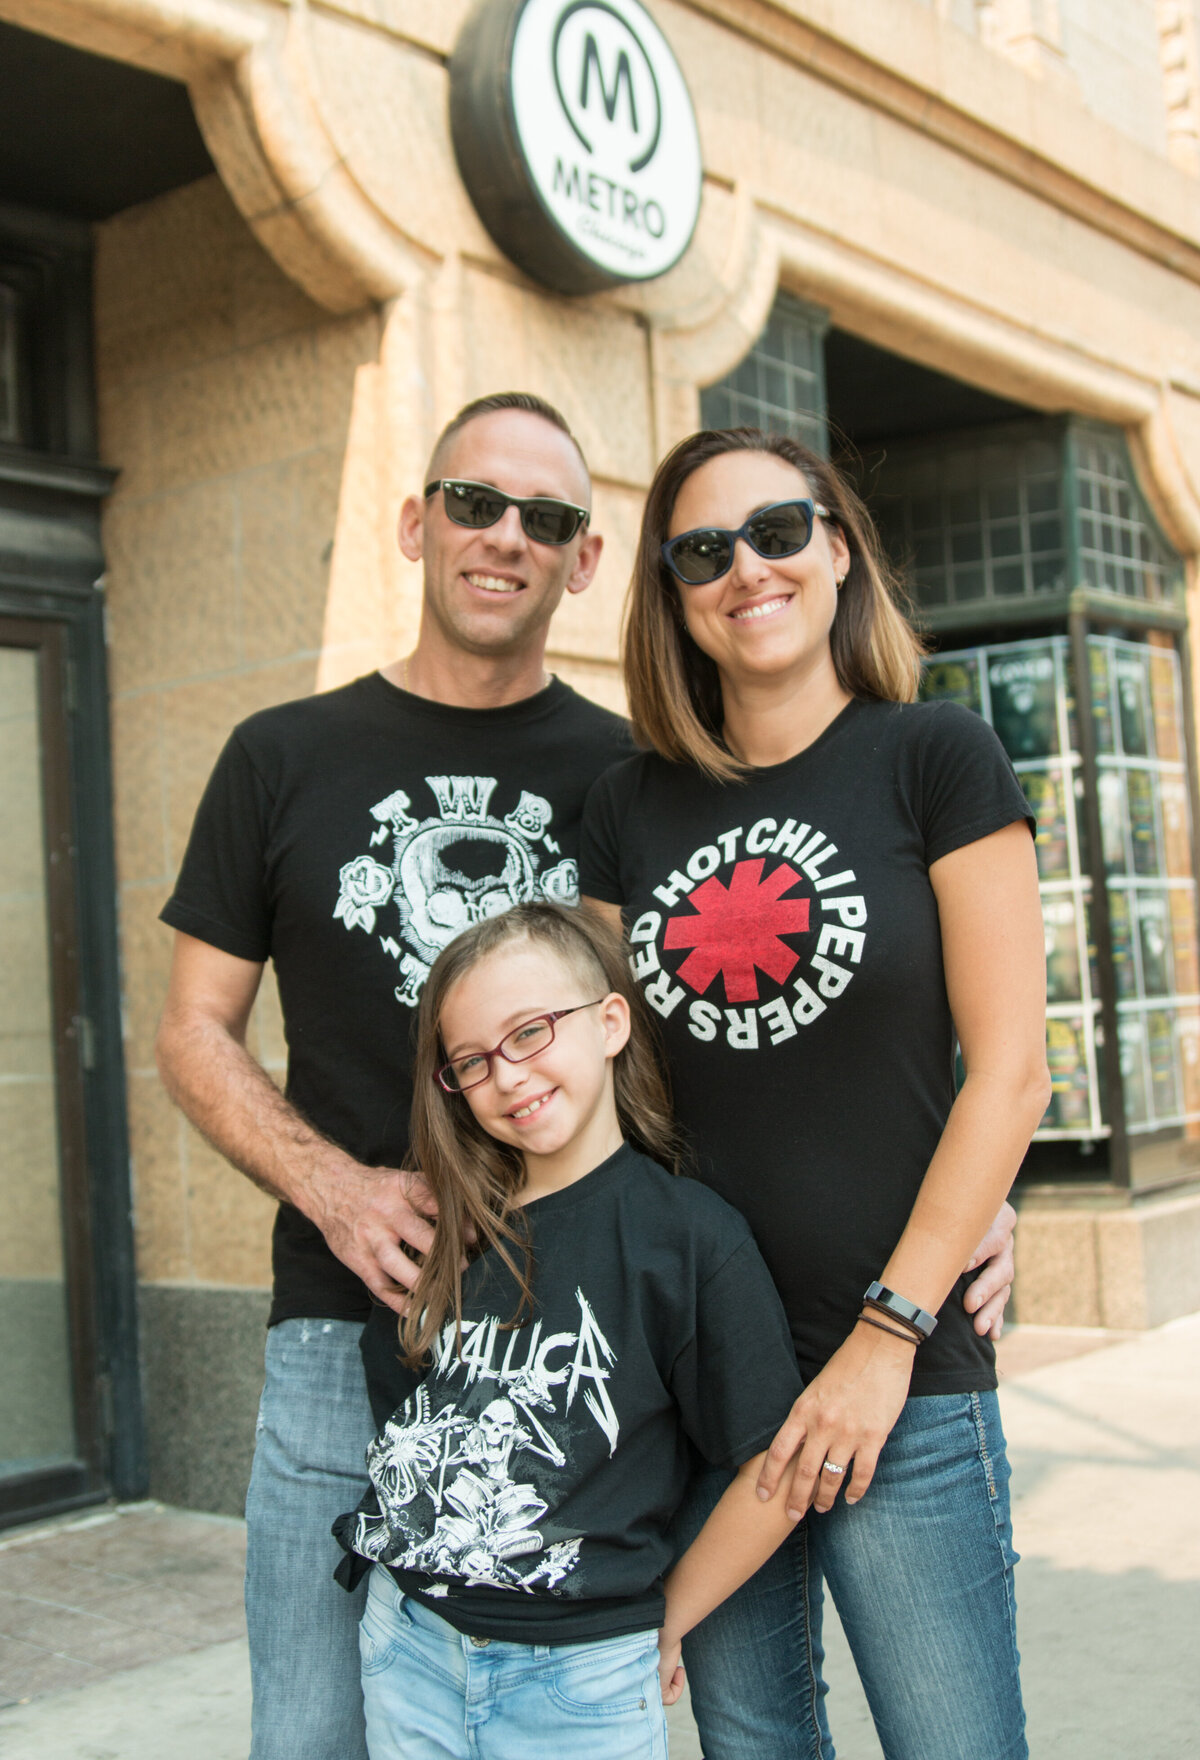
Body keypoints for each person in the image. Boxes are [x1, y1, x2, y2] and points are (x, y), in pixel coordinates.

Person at [154, 393, 634, 1760]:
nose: (506, 538)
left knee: (540, 1727)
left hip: (567, 1325)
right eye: (475, 503)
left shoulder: (621, 774)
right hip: (335, 1319)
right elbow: (193, 1028)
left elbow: (682, 1040)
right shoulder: (280, 755)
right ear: (416, 522)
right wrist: (336, 1190)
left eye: (546, 519)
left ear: (582, 561)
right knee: (309, 1730)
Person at [580, 426, 1051, 1760]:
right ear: (673, 593)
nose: (749, 569)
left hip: (901, 1379)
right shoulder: (626, 808)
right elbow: (607, 1097)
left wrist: (891, 1330)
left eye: (780, 531)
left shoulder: (936, 757)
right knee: (753, 1745)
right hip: (699, 1380)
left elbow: (1009, 1074)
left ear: (837, 550)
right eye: (704, 551)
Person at [331, 900, 807, 1760]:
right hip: (409, 1646)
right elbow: (404, 1426)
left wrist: (669, 1621)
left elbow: (775, 1466)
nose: (506, 1076)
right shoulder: (443, 1236)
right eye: (470, 1061)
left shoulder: (687, 1240)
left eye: (531, 1033)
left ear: (611, 1021)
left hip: (581, 1676)